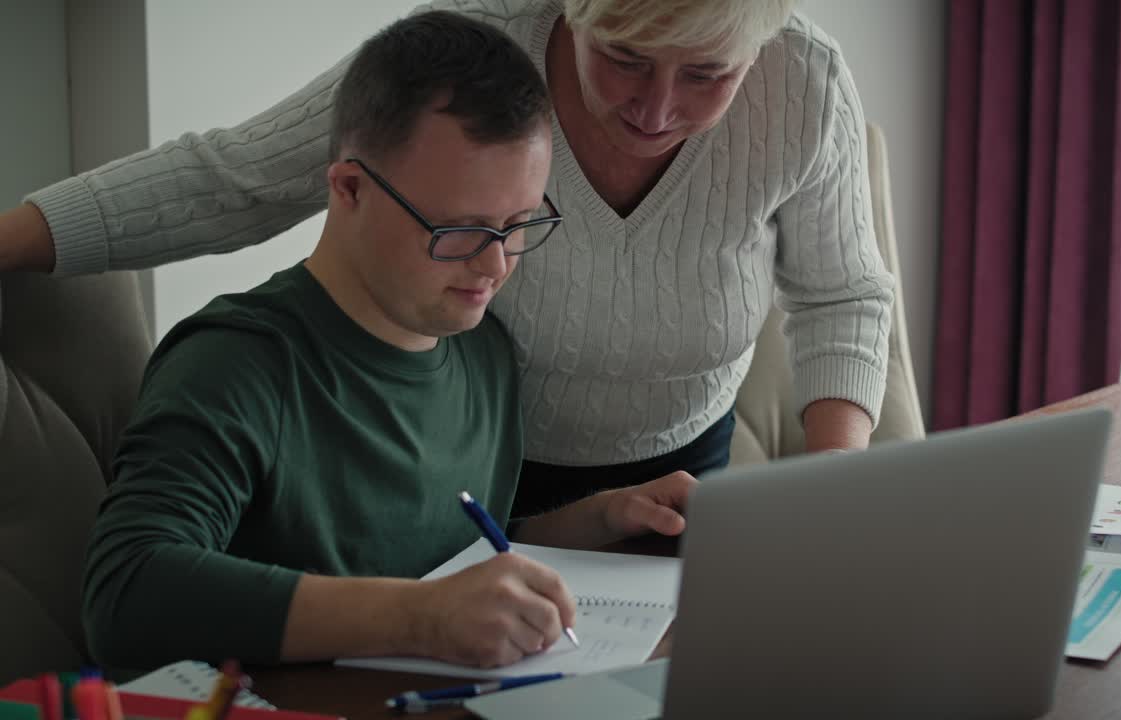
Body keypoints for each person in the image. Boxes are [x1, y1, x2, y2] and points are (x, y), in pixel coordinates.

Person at [0, 0, 895, 517]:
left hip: (681, 487)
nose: (657, 109)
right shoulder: (480, 49)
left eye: (706, 74)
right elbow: (233, 179)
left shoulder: (802, 84)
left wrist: (828, 493)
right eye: (624, 59)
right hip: (458, 479)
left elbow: (844, 293)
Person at [81, 11, 694, 671]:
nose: (494, 266)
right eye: (460, 228)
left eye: (518, 224)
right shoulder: (233, 363)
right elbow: (126, 595)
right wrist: (419, 619)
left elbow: (444, 553)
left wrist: (600, 520)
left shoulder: (481, 350)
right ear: (349, 188)